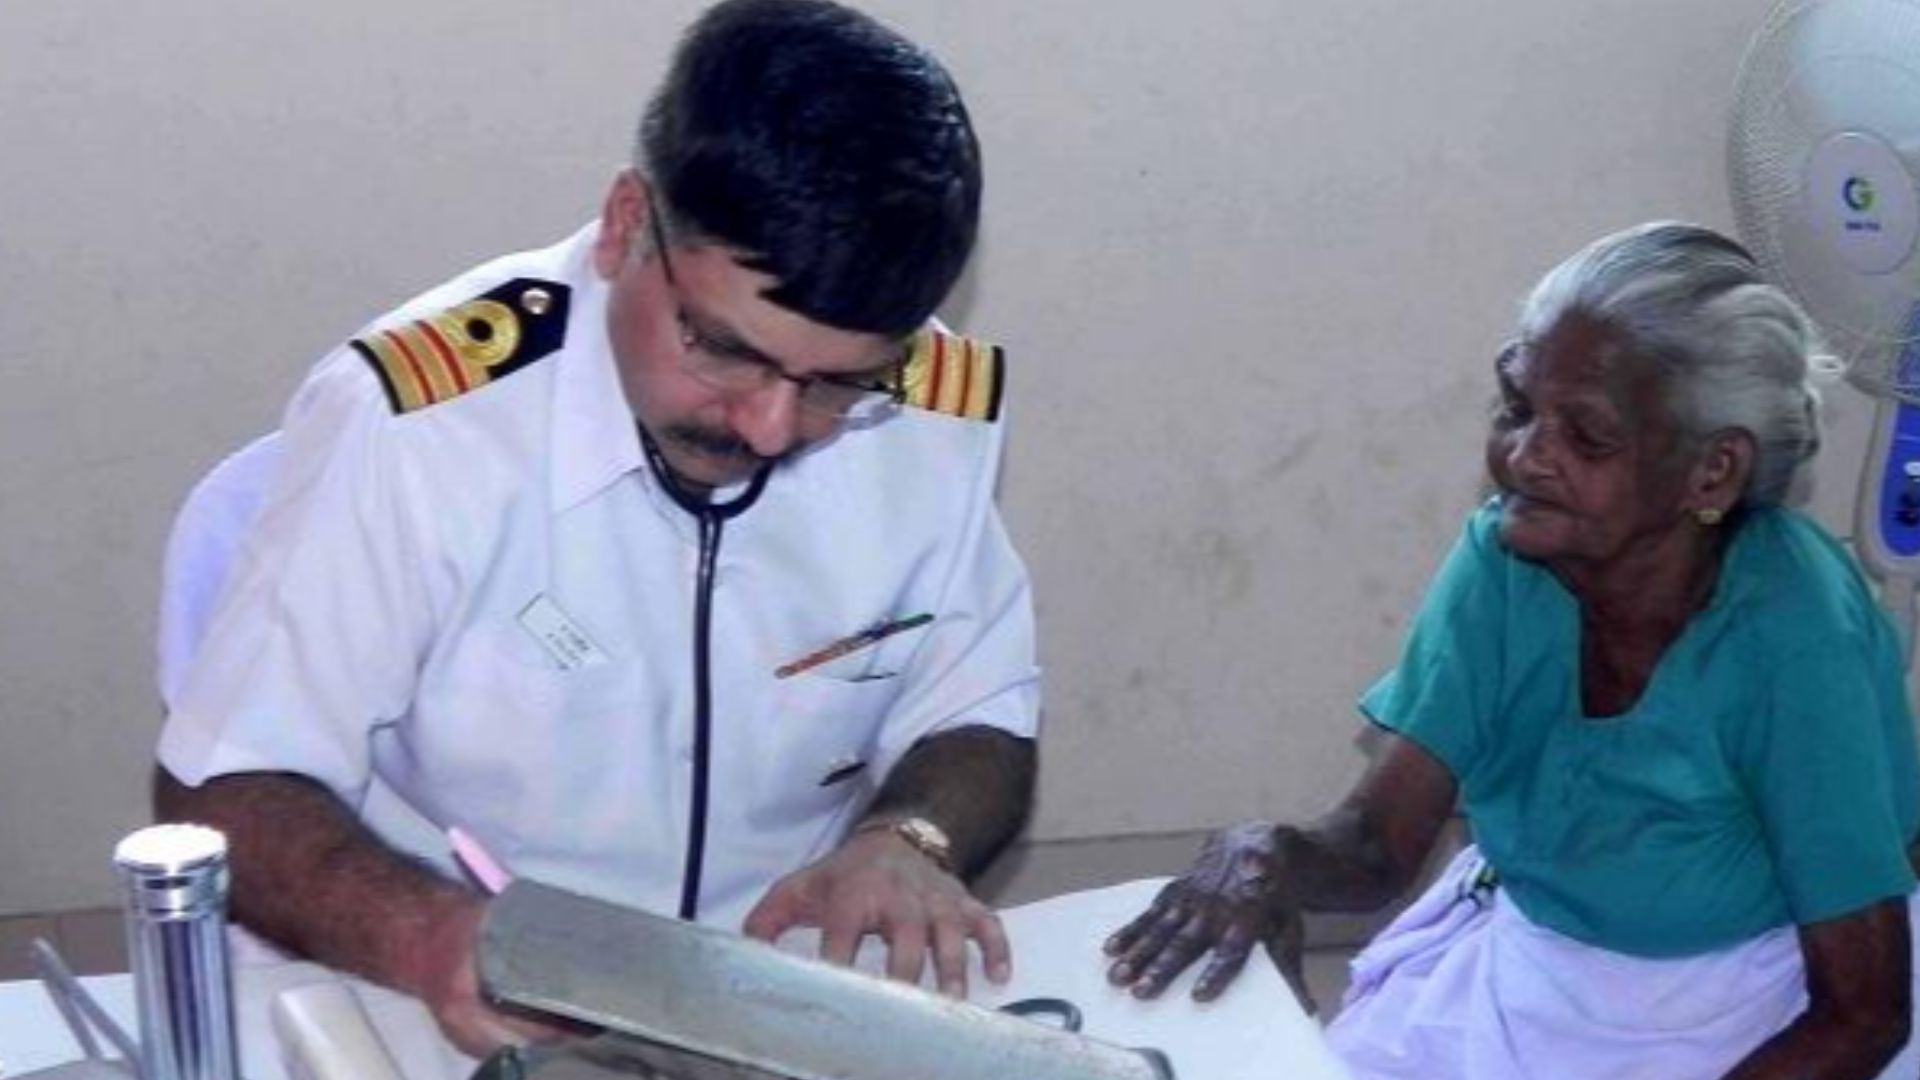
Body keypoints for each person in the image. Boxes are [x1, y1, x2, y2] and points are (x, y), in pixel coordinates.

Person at [153, 0, 1039, 1056]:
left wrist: (911, 839)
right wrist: (428, 936)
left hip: (779, 998)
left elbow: (978, 710)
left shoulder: (929, 412)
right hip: (456, 998)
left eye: (839, 388)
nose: (769, 426)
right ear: (628, 226)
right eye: (725, 350)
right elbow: (222, 790)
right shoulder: (421, 427)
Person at [1105, 223, 1917, 1080]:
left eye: (1587, 436)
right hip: (1534, 964)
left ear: (1711, 473)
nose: (1526, 458)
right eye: (1517, 407)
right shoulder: (1508, 556)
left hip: (1753, 1002)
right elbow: (1381, 843)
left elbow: (1864, 1014)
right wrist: (1268, 854)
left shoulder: (1792, 633)